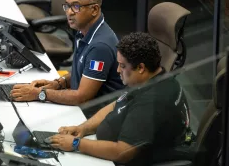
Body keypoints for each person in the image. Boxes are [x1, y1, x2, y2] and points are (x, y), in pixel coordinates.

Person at [48, 32, 191, 166]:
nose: (117, 70)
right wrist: (83, 129)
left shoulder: (152, 102)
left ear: (141, 68)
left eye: (122, 66)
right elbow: (118, 103)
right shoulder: (151, 79)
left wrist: (76, 144)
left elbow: (123, 152)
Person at [10, 0, 123, 105]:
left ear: (94, 9)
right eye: (67, 6)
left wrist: (39, 94)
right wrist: (58, 83)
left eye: (76, 6)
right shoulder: (83, 31)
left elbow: (81, 97)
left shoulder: (100, 47)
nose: (69, 12)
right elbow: (82, 72)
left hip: (90, 114)